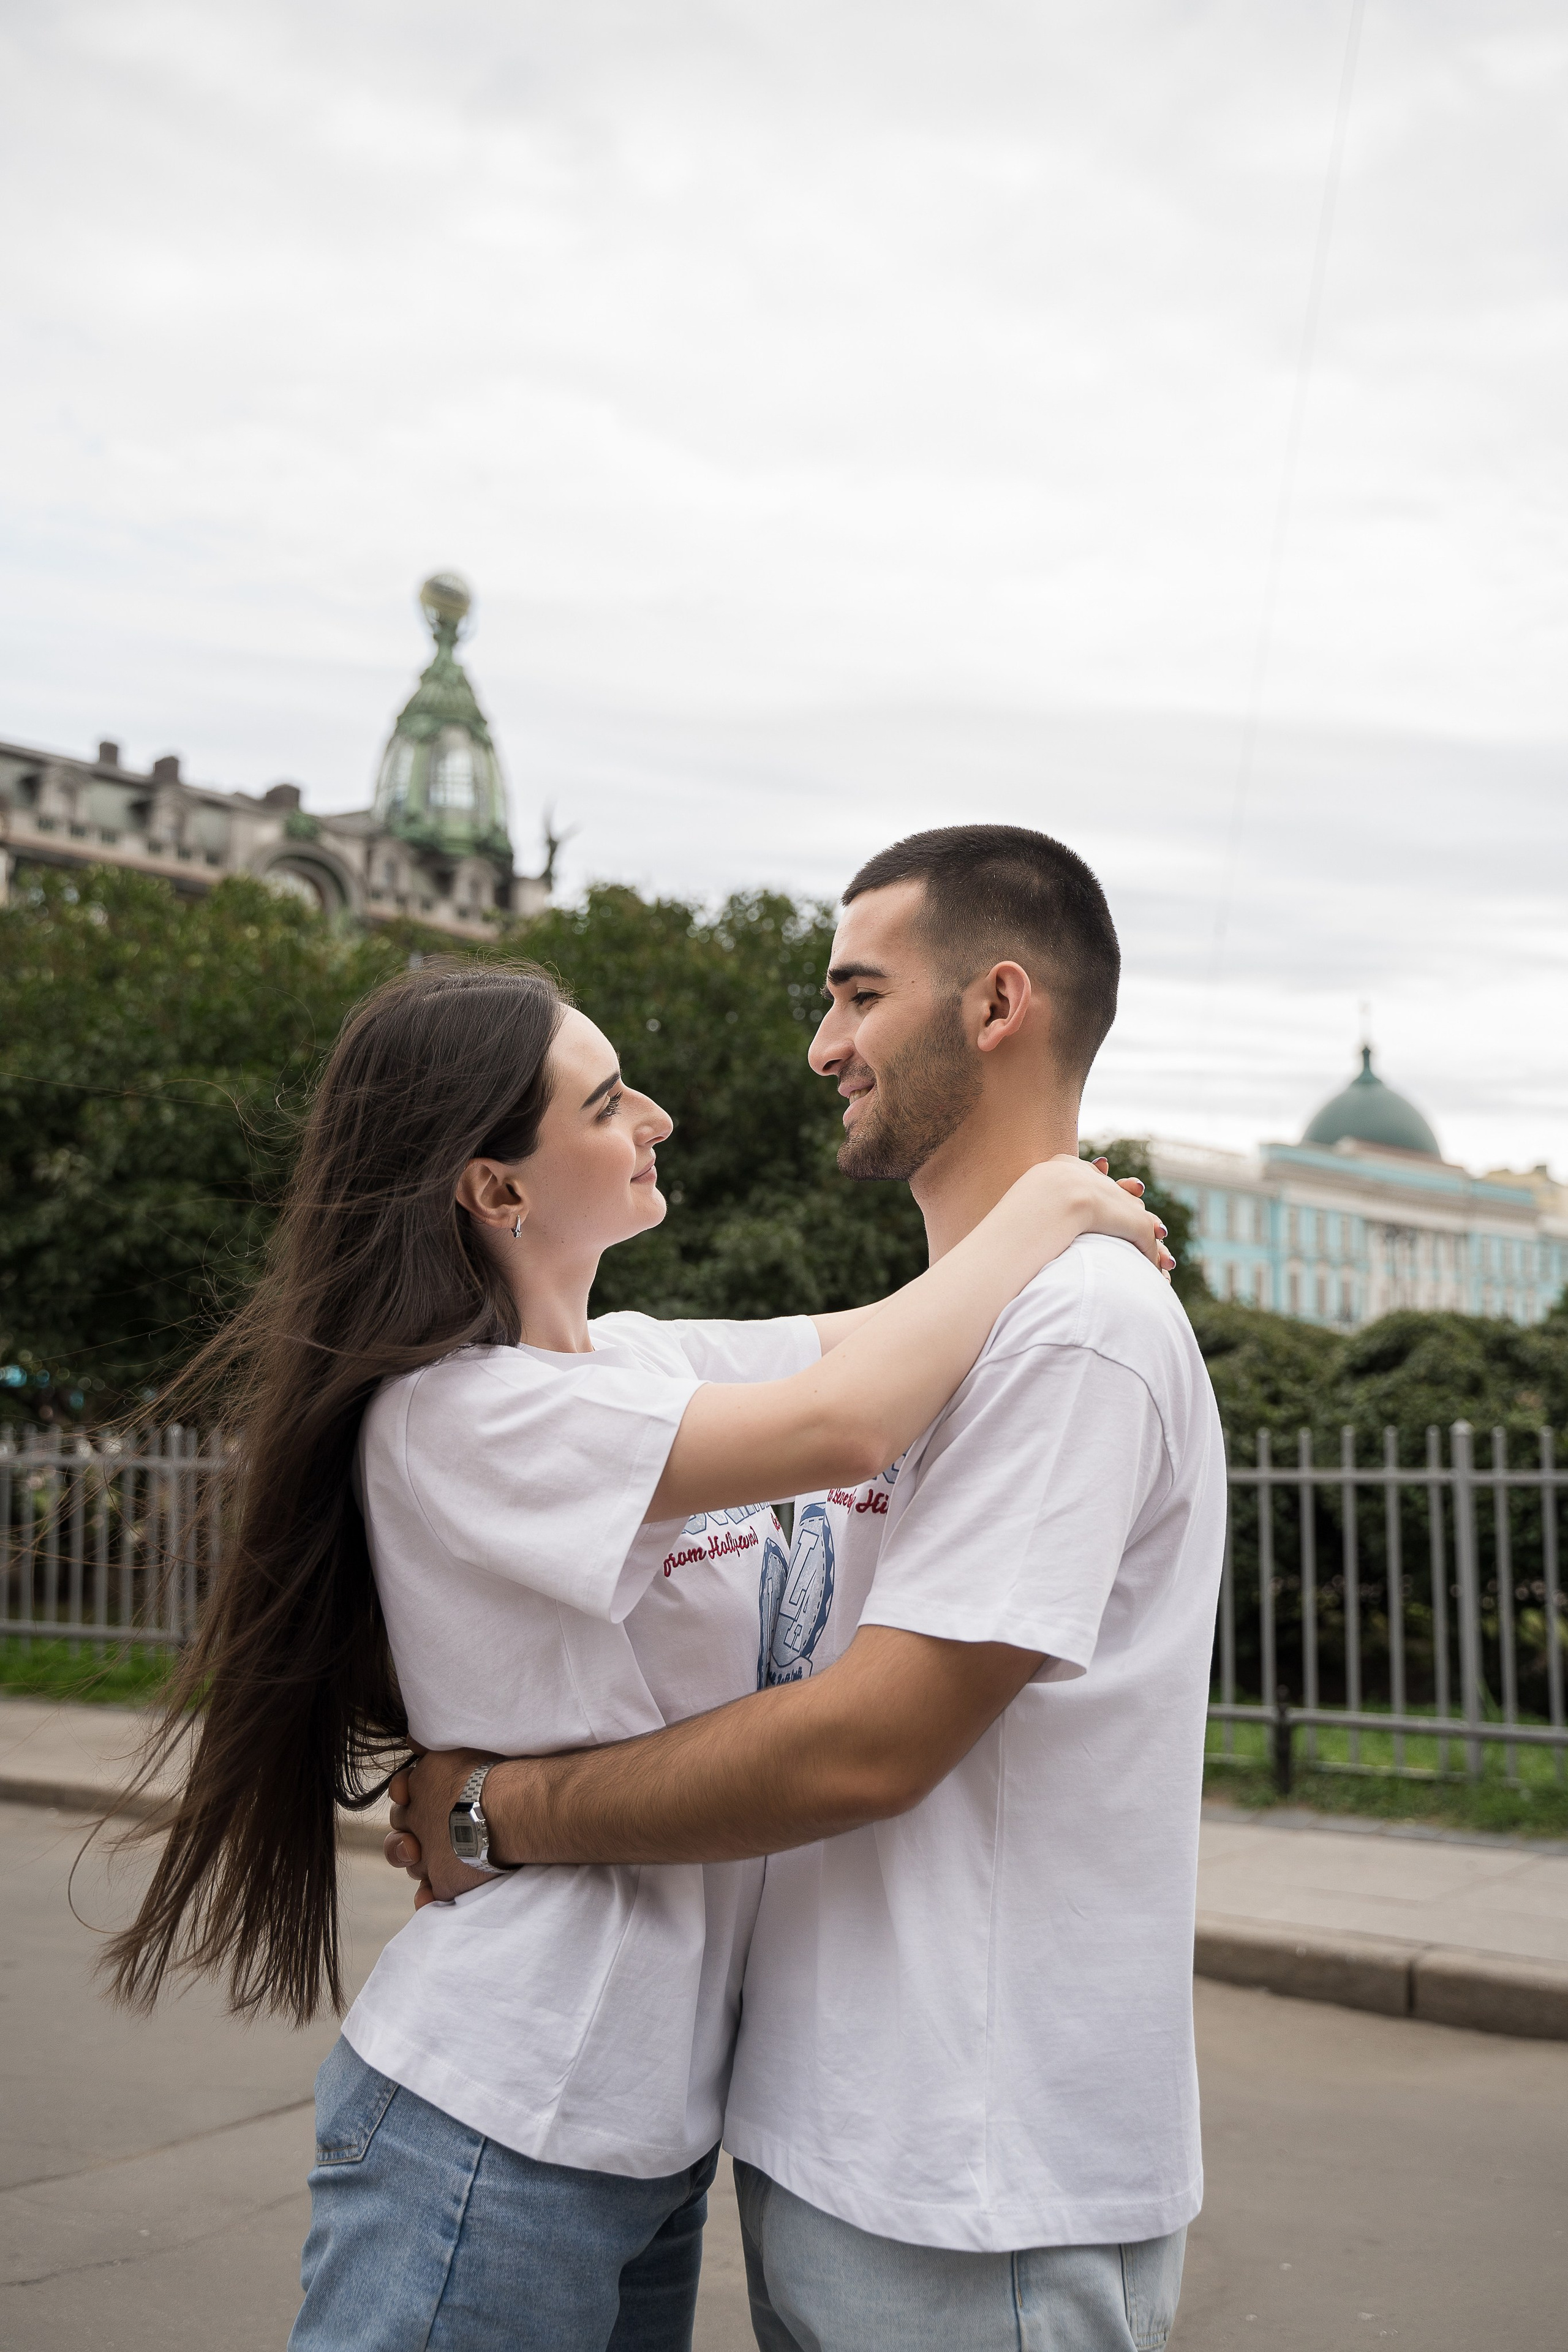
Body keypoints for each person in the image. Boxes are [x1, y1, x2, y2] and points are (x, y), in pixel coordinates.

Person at [102, 951, 1167, 2352]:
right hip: (500, 2111)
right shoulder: (460, 1416)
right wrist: (1047, 1204)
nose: (654, 1117)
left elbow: (873, 1342)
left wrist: (1052, 1220)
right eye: (607, 1103)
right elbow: (848, 1420)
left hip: (648, 2138)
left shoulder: (632, 1364)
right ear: (497, 1190)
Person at [388, 825, 1227, 2352]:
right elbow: (850, 1376)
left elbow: (867, 1741)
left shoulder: (1069, 1331)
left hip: (972, 2174)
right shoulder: (544, 1388)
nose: (817, 1042)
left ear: (993, 1005)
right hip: (839, 2143)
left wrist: (491, 1811)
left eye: (855, 994)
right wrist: (1042, 1216)